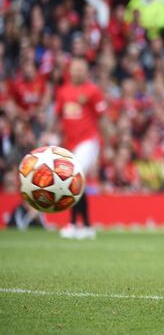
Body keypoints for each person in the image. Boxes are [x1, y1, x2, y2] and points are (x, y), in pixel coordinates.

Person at [53, 58, 108, 239]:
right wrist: (50, 135)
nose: (77, 72)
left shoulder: (93, 91)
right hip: (71, 144)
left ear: (86, 72)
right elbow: (58, 117)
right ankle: (85, 226)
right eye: (74, 69)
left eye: (80, 69)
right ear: (70, 71)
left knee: (73, 177)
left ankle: (72, 224)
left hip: (89, 141)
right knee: (77, 183)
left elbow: (102, 118)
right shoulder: (63, 92)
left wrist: (107, 144)